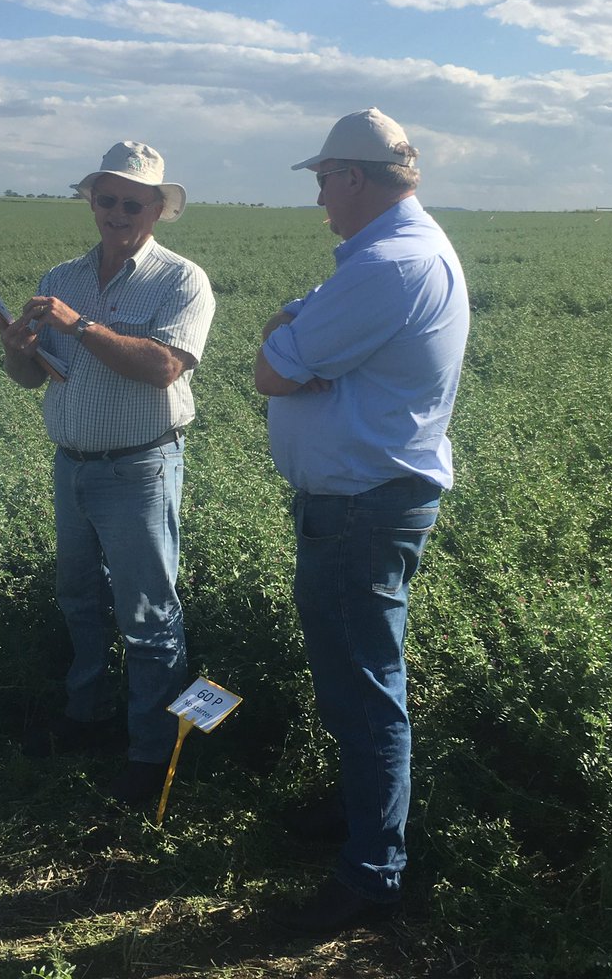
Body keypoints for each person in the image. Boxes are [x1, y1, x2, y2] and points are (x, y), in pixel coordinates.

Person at [254, 108, 470, 935]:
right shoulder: (393, 256)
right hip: (360, 505)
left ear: (352, 177)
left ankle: (373, 871)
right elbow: (289, 325)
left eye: (322, 181)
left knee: (367, 686)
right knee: (350, 675)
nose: (319, 199)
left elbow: (273, 365)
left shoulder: (389, 265)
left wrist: (295, 353)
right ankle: (358, 818)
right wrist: (297, 343)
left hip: (362, 510)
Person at [1, 141, 215, 804]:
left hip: (140, 469)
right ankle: (86, 716)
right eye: (106, 199)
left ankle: (153, 754)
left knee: (148, 614)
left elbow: (163, 368)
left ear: (157, 209)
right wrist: (19, 352)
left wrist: (81, 324)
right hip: (73, 466)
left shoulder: (181, 280)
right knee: (80, 601)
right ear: (90, 200)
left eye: (132, 203)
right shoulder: (61, 277)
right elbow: (34, 378)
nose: (117, 213)